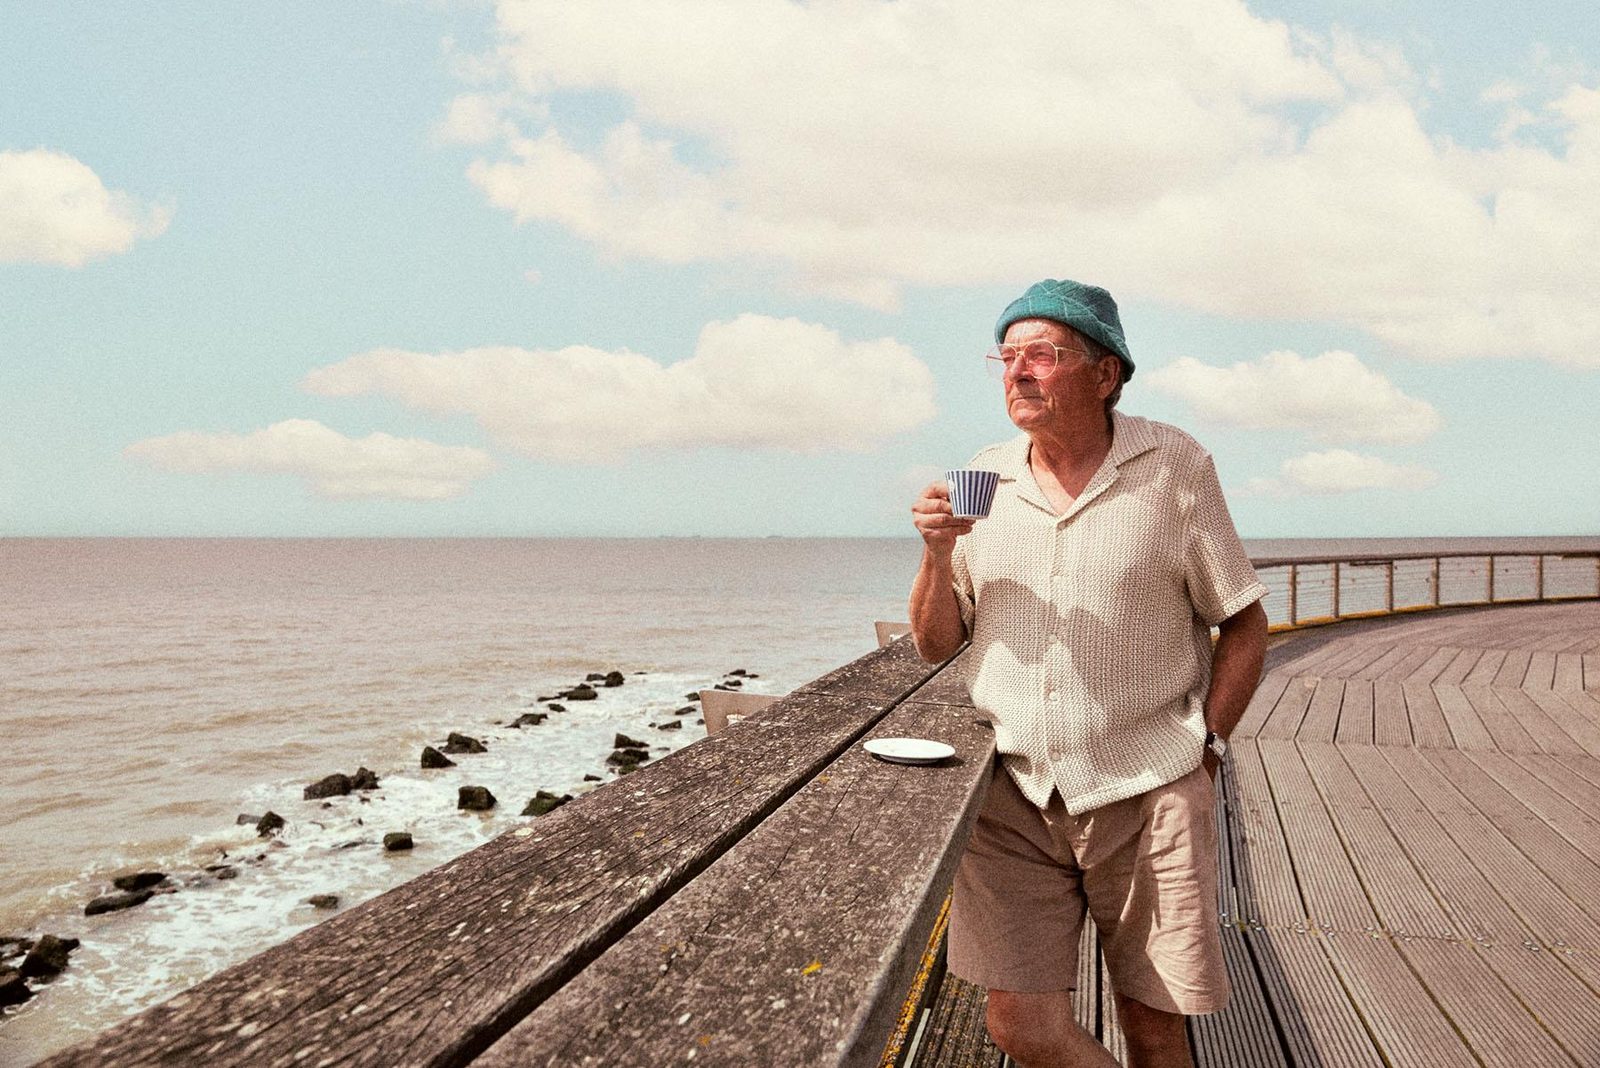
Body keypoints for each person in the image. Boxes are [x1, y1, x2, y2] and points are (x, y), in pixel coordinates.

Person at [909, 278, 1268, 1068]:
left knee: (1153, 1024)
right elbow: (938, 643)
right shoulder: (985, 476)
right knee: (1018, 1023)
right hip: (1012, 797)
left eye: (1041, 355)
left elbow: (1242, 620)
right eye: (1006, 357)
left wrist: (1207, 746)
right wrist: (937, 555)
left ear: (1105, 373)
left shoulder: (1173, 463)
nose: (1017, 373)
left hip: (1148, 789)